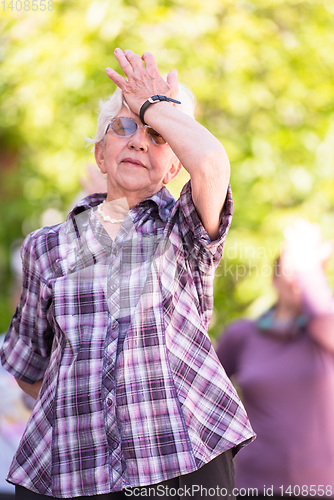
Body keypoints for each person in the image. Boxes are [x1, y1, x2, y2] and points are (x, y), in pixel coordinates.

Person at [0, 49, 254, 500]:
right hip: (73, 471)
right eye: (125, 127)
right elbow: (28, 367)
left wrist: (152, 102)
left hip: (183, 459)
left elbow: (212, 165)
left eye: (157, 136)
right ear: (100, 154)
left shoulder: (183, 227)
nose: (139, 141)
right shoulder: (46, 247)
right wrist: (87, 408)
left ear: (175, 167)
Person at [216, 219, 334, 499]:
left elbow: (322, 315)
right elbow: (203, 392)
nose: (297, 278)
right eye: (289, 268)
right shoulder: (243, 336)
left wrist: (306, 260)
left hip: (320, 487)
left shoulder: (324, 337)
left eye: (306, 271)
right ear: (274, 278)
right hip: (253, 486)